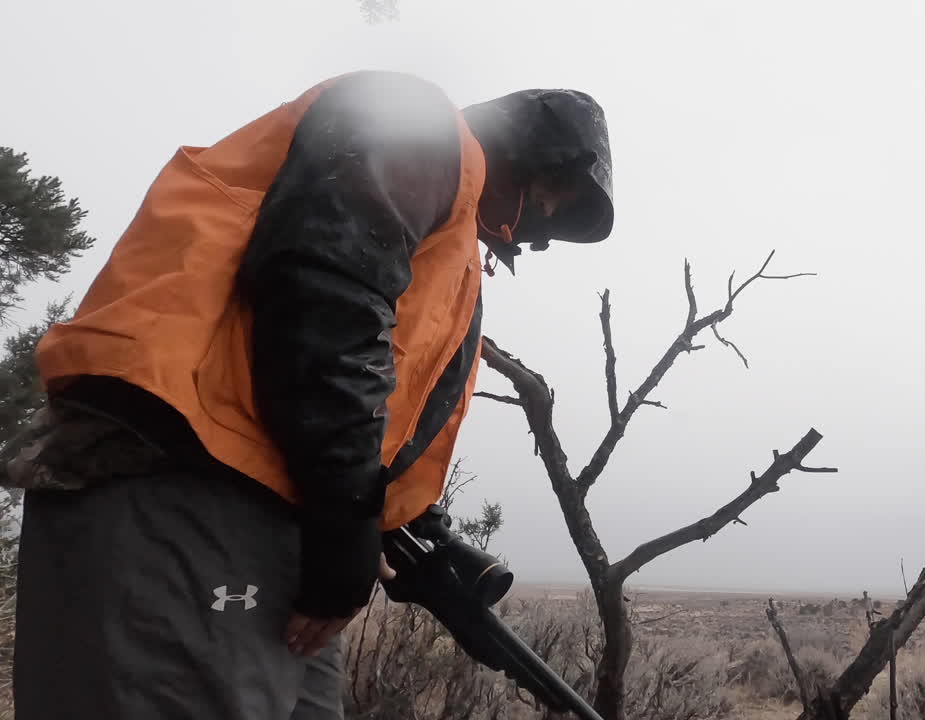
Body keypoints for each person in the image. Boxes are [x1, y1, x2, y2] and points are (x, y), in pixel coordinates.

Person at [2, 70, 615, 719]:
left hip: (286, 514)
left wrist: (417, 533)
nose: (540, 230)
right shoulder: (418, 128)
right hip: (188, 484)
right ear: (530, 153)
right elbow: (323, 310)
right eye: (549, 200)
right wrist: (348, 523)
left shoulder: (449, 250)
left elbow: (379, 403)